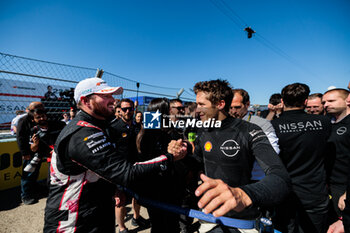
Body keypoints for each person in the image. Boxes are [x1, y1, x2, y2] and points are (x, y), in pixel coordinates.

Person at [43, 77, 187, 233]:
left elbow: (105, 168)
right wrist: (170, 156)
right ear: (86, 101)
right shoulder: (82, 133)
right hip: (74, 224)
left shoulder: (98, 126)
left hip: (96, 215)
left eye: (112, 95)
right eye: (105, 96)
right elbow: (127, 172)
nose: (113, 100)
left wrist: (115, 188)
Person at [192, 79, 290, 233]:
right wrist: (179, 155)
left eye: (201, 104)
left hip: (242, 220)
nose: (197, 109)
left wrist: (243, 195)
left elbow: (280, 178)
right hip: (209, 218)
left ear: (220, 104)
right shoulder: (203, 129)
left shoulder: (250, 130)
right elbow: (194, 165)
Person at [271, 83, 331, 233]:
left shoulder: (273, 125)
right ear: (305, 102)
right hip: (314, 191)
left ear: (283, 102)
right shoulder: (324, 122)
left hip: (284, 192)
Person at [110, 99, 148, 233]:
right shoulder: (113, 128)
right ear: (119, 110)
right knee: (120, 200)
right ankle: (122, 227)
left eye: (130, 109)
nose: (128, 111)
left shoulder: (138, 127)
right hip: (120, 170)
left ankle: (136, 217)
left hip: (136, 168)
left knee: (137, 197)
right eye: (125, 109)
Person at [230, 88, 280, 181]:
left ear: (247, 104)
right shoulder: (223, 123)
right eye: (230, 107)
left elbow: (273, 152)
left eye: (237, 107)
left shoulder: (262, 124)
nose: (233, 111)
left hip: (255, 179)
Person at [322, 87, 350, 223]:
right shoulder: (325, 123)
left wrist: (346, 193)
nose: (326, 105)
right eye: (324, 102)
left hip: (343, 187)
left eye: (331, 101)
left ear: (347, 101)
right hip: (326, 185)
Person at [16, 102, 45, 205]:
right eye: (38, 108)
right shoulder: (23, 120)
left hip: (39, 151)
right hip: (29, 152)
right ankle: (26, 195)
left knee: (35, 171)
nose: (41, 109)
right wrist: (24, 152)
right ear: (31, 110)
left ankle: (33, 189)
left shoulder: (42, 118)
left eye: (42, 107)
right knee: (28, 173)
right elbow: (20, 138)